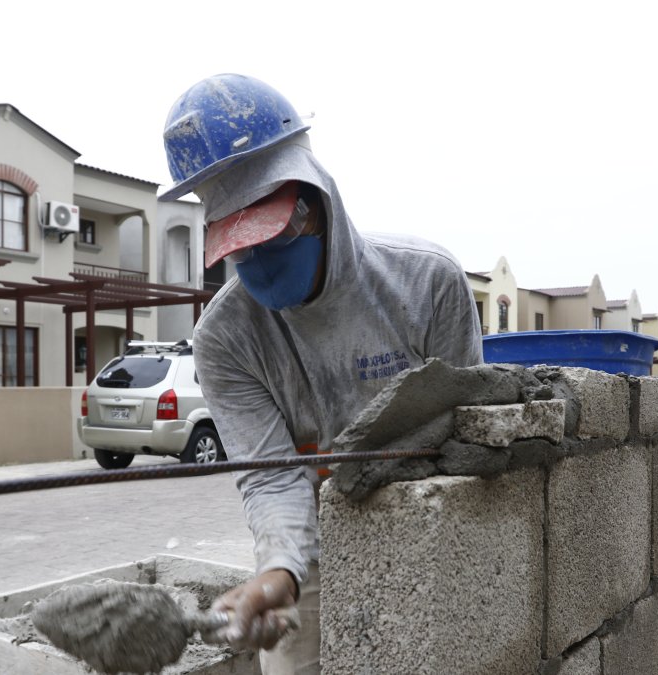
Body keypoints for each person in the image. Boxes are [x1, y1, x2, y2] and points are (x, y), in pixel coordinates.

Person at [163, 73, 483, 674]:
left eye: (272, 234)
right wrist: (279, 573)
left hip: (427, 527)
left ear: (316, 205)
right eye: (239, 246)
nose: (256, 260)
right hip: (306, 540)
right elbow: (273, 479)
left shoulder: (424, 285)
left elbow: (467, 436)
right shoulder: (226, 338)